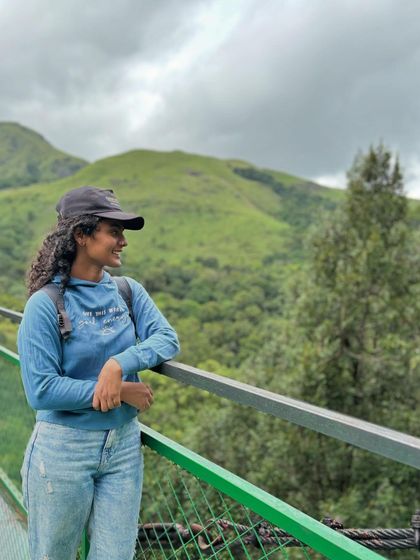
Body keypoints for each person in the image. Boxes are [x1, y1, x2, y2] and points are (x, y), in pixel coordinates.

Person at [17, 185, 180, 560]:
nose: (123, 242)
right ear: (81, 235)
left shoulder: (126, 291)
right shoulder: (45, 305)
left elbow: (167, 339)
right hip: (63, 450)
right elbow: (41, 390)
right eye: (114, 232)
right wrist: (119, 391)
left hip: (123, 447)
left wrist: (119, 364)